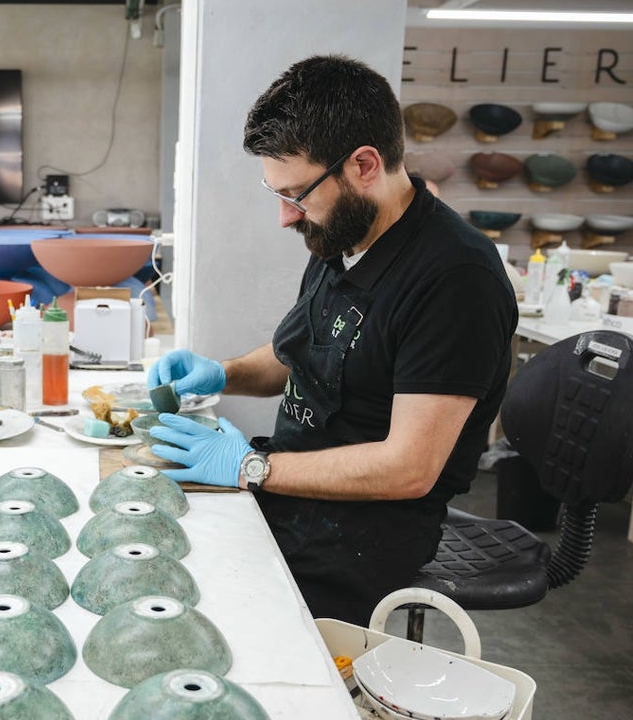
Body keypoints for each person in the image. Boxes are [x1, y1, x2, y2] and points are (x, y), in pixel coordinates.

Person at [147, 55, 517, 625]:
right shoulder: (344, 236)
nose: (285, 219)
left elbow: (408, 468)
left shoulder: (455, 279)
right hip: (290, 493)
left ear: (364, 164)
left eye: (296, 195)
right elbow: (296, 356)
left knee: (205, 624)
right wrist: (222, 372)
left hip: (362, 534)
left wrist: (251, 469)